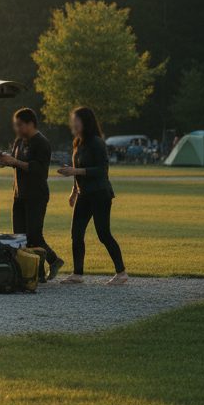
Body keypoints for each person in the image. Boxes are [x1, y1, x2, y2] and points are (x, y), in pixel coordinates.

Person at [55, 106, 128, 285]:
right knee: (76, 234)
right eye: (72, 120)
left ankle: (122, 273)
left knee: (103, 234)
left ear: (85, 123)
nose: (73, 123)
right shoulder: (77, 143)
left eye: (76, 120)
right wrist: (74, 192)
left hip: (99, 194)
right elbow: (77, 171)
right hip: (83, 194)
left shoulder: (96, 142)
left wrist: (76, 170)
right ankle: (77, 274)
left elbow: (102, 170)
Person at [0, 108, 63, 280]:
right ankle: (34, 274)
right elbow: (16, 162)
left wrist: (15, 161)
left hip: (36, 195)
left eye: (20, 125)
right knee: (20, 238)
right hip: (19, 194)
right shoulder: (20, 141)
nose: (16, 128)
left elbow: (38, 169)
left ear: (30, 124)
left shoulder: (41, 143)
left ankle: (54, 260)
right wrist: (1, 161)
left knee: (34, 236)